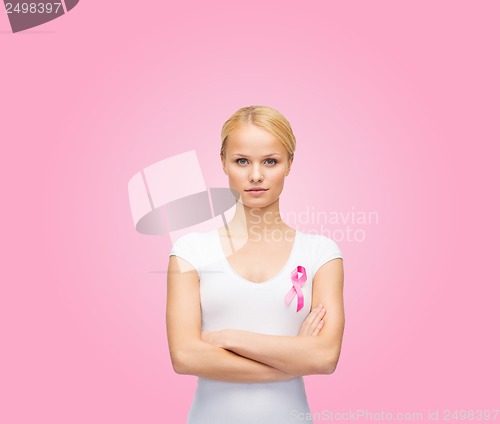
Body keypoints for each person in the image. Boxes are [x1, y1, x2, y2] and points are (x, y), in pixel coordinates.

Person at [166, 105, 345, 423]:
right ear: (223, 162)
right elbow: (184, 356)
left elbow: (324, 357)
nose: (256, 175)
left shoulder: (320, 253)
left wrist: (228, 338)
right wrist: (292, 358)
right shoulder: (191, 250)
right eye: (242, 161)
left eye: (270, 161)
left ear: (290, 163)